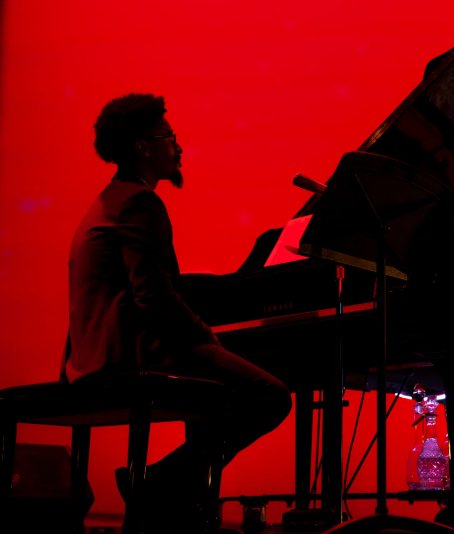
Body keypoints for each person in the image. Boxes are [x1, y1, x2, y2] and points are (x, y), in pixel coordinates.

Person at [64, 93, 292, 531]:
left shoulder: (113, 200)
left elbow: (151, 285)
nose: (179, 146)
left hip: (93, 354)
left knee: (221, 386)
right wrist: (206, 337)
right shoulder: (139, 203)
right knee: (271, 396)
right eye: (169, 136)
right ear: (143, 148)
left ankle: (173, 492)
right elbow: (154, 297)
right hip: (126, 355)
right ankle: (162, 483)